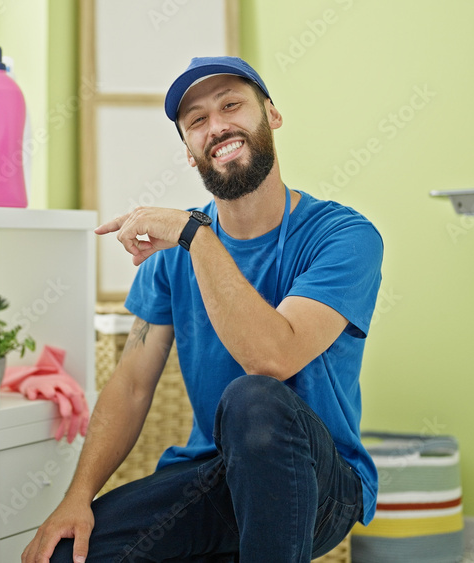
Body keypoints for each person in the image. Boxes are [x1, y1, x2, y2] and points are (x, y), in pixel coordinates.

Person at [22, 56, 383, 563]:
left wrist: (195, 235)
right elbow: (131, 384)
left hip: (320, 485)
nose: (217, 126)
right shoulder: (172, 255)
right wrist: (76, 497)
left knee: (253, 398)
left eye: (231, 105)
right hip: (210, 478)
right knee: (66, 556)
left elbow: (272, 359)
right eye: (196, 121)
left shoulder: (343, 237)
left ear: (272, 115)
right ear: (190, 153)